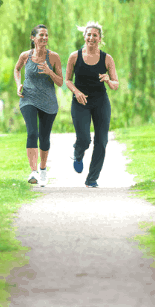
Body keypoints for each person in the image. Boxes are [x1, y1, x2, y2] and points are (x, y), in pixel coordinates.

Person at [64, 21, 119, 188]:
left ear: (100, 38)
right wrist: (77, 92)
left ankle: (92, 179)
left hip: (100, 102)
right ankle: (78, 153)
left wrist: (109, 80)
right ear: (84, 37)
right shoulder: (74, 56)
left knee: (101, 141)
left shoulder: (107, 58)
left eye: (95, 35)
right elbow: (67, 80)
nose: (91, 38)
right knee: (84, 139)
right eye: (89, 35)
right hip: (80, 102)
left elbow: (116, 84)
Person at [14, 24, 63, 186]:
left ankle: (43, 170)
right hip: (28, 98)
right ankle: (33, 171)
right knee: (32, 133)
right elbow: (17, 69)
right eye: (41, 35)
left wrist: (50, 72)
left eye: (46, 35)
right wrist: (18, 85)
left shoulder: (54, 57)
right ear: (33, 38)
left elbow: (61, 82)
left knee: (44, 137)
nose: (44, 38)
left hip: (48, 101)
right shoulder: (25, 56)